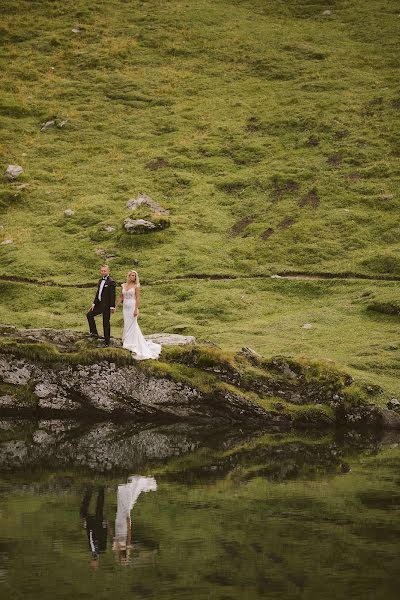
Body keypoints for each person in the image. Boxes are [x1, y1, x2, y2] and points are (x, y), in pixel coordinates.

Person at [116, 270, 161, 360]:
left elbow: (137, 298)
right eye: (132, 275)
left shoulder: (136, 286)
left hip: (132, 306)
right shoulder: (123, 285)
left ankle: (131, 343)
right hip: (125, 307)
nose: (133, 277)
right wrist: (116, 306)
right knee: (127, 323)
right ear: (129, 276)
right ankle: (127, 339)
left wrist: (136, 309)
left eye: (135, 276)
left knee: (133, 324)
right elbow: (121, 296)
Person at [112, 475, 157, 565]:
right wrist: (129, 522)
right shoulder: (126, 546)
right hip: (124, 526)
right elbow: (129, 534)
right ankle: (128, 486)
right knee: (126, 508)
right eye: (123, 558)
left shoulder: (116, 548)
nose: (122, 556)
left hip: (118, 524)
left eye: (121, 558)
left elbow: (113, 536)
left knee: (121, 508)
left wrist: (108, 525)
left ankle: (125, 488)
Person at [80, 485, 111, 569]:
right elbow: (104, 537)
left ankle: (89, 490)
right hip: (98, 525)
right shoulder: (102, 549)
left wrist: (85, 525)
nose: (94, 558)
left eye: (93, 559)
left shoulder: (90, 549)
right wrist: (105, 525)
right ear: (97, 560)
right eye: (95, 559)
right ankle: (101, 489)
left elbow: (89, 536)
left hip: (90, 526)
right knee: (99, 508)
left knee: (82, 513)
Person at [87, 264, 116, 346]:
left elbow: (112, 295)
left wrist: (112, 306)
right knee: (89, 315)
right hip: (99, 304)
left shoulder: (111, 281)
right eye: (102, 271)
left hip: (106, 305)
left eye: (105, 271)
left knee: (105, 322)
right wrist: (94, 303)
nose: (103, 272)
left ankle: (107, 342)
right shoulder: (100, 281)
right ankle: (94, 333)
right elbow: (98, 293)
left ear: (108, 271)